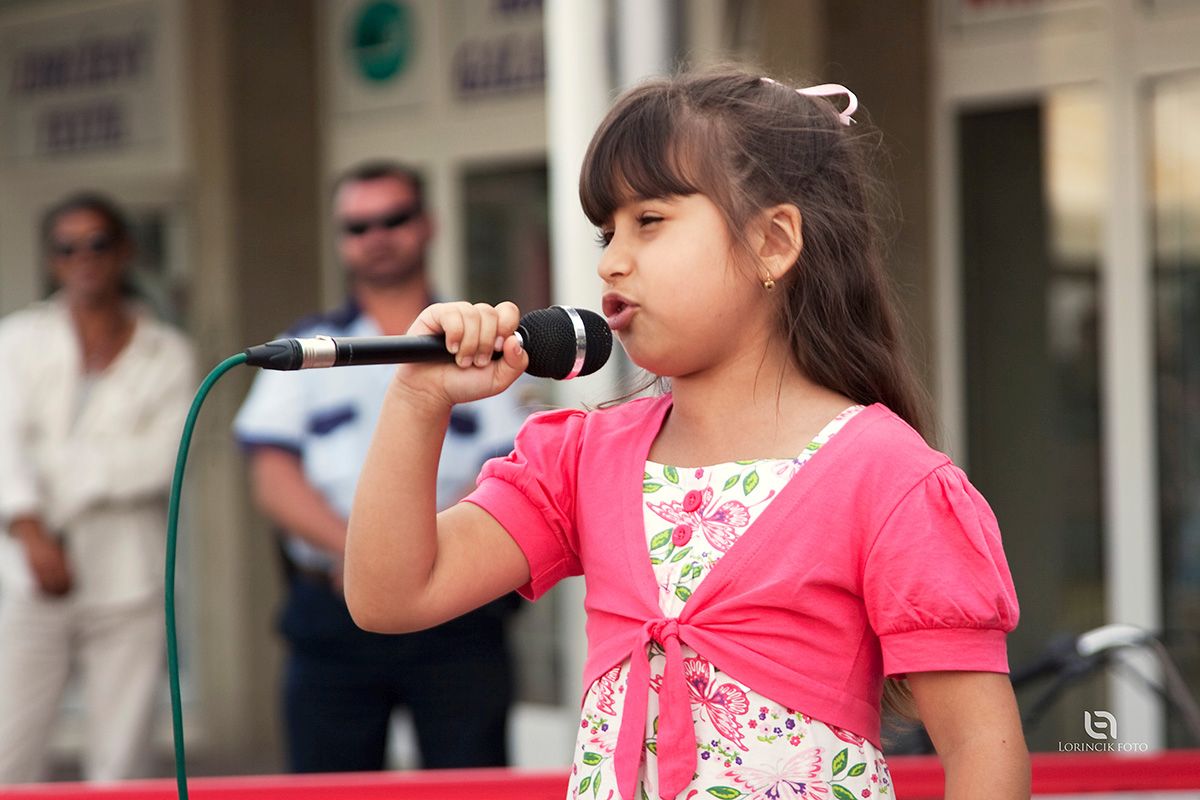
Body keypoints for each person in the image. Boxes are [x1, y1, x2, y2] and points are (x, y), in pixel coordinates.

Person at [345, 69, 1032, 800]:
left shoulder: (885, 476)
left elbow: (982, 749)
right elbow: (392, 595)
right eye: (607, 231)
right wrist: (418, 400)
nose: (611, 260)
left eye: (650, 220)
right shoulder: (583, 459)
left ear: (773, 242)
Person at [233, 161, 525, 773]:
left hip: (458, 606)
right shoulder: (307, 345)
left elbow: (507, 467)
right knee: (328, 788)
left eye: (393, 219)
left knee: (469, 784)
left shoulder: (478, 337)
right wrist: (363, 554)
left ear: (427, 224)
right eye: (358, 226)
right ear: (340, 239)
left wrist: (419, 554)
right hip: (331, 608)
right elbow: (272, 478)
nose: (377, 237)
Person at [0, 192, 196, 783]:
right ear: (52, 260)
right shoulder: (18, 339)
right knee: (9, 752)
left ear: (125, 251)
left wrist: (55, 472)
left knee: (121, 763)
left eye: (97, 243)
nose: (83, 258)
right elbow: (4, 446)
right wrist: (30, 530)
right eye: (67, 248)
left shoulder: (168, 351)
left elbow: (162, 460)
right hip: (28, 573)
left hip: (128, 579)